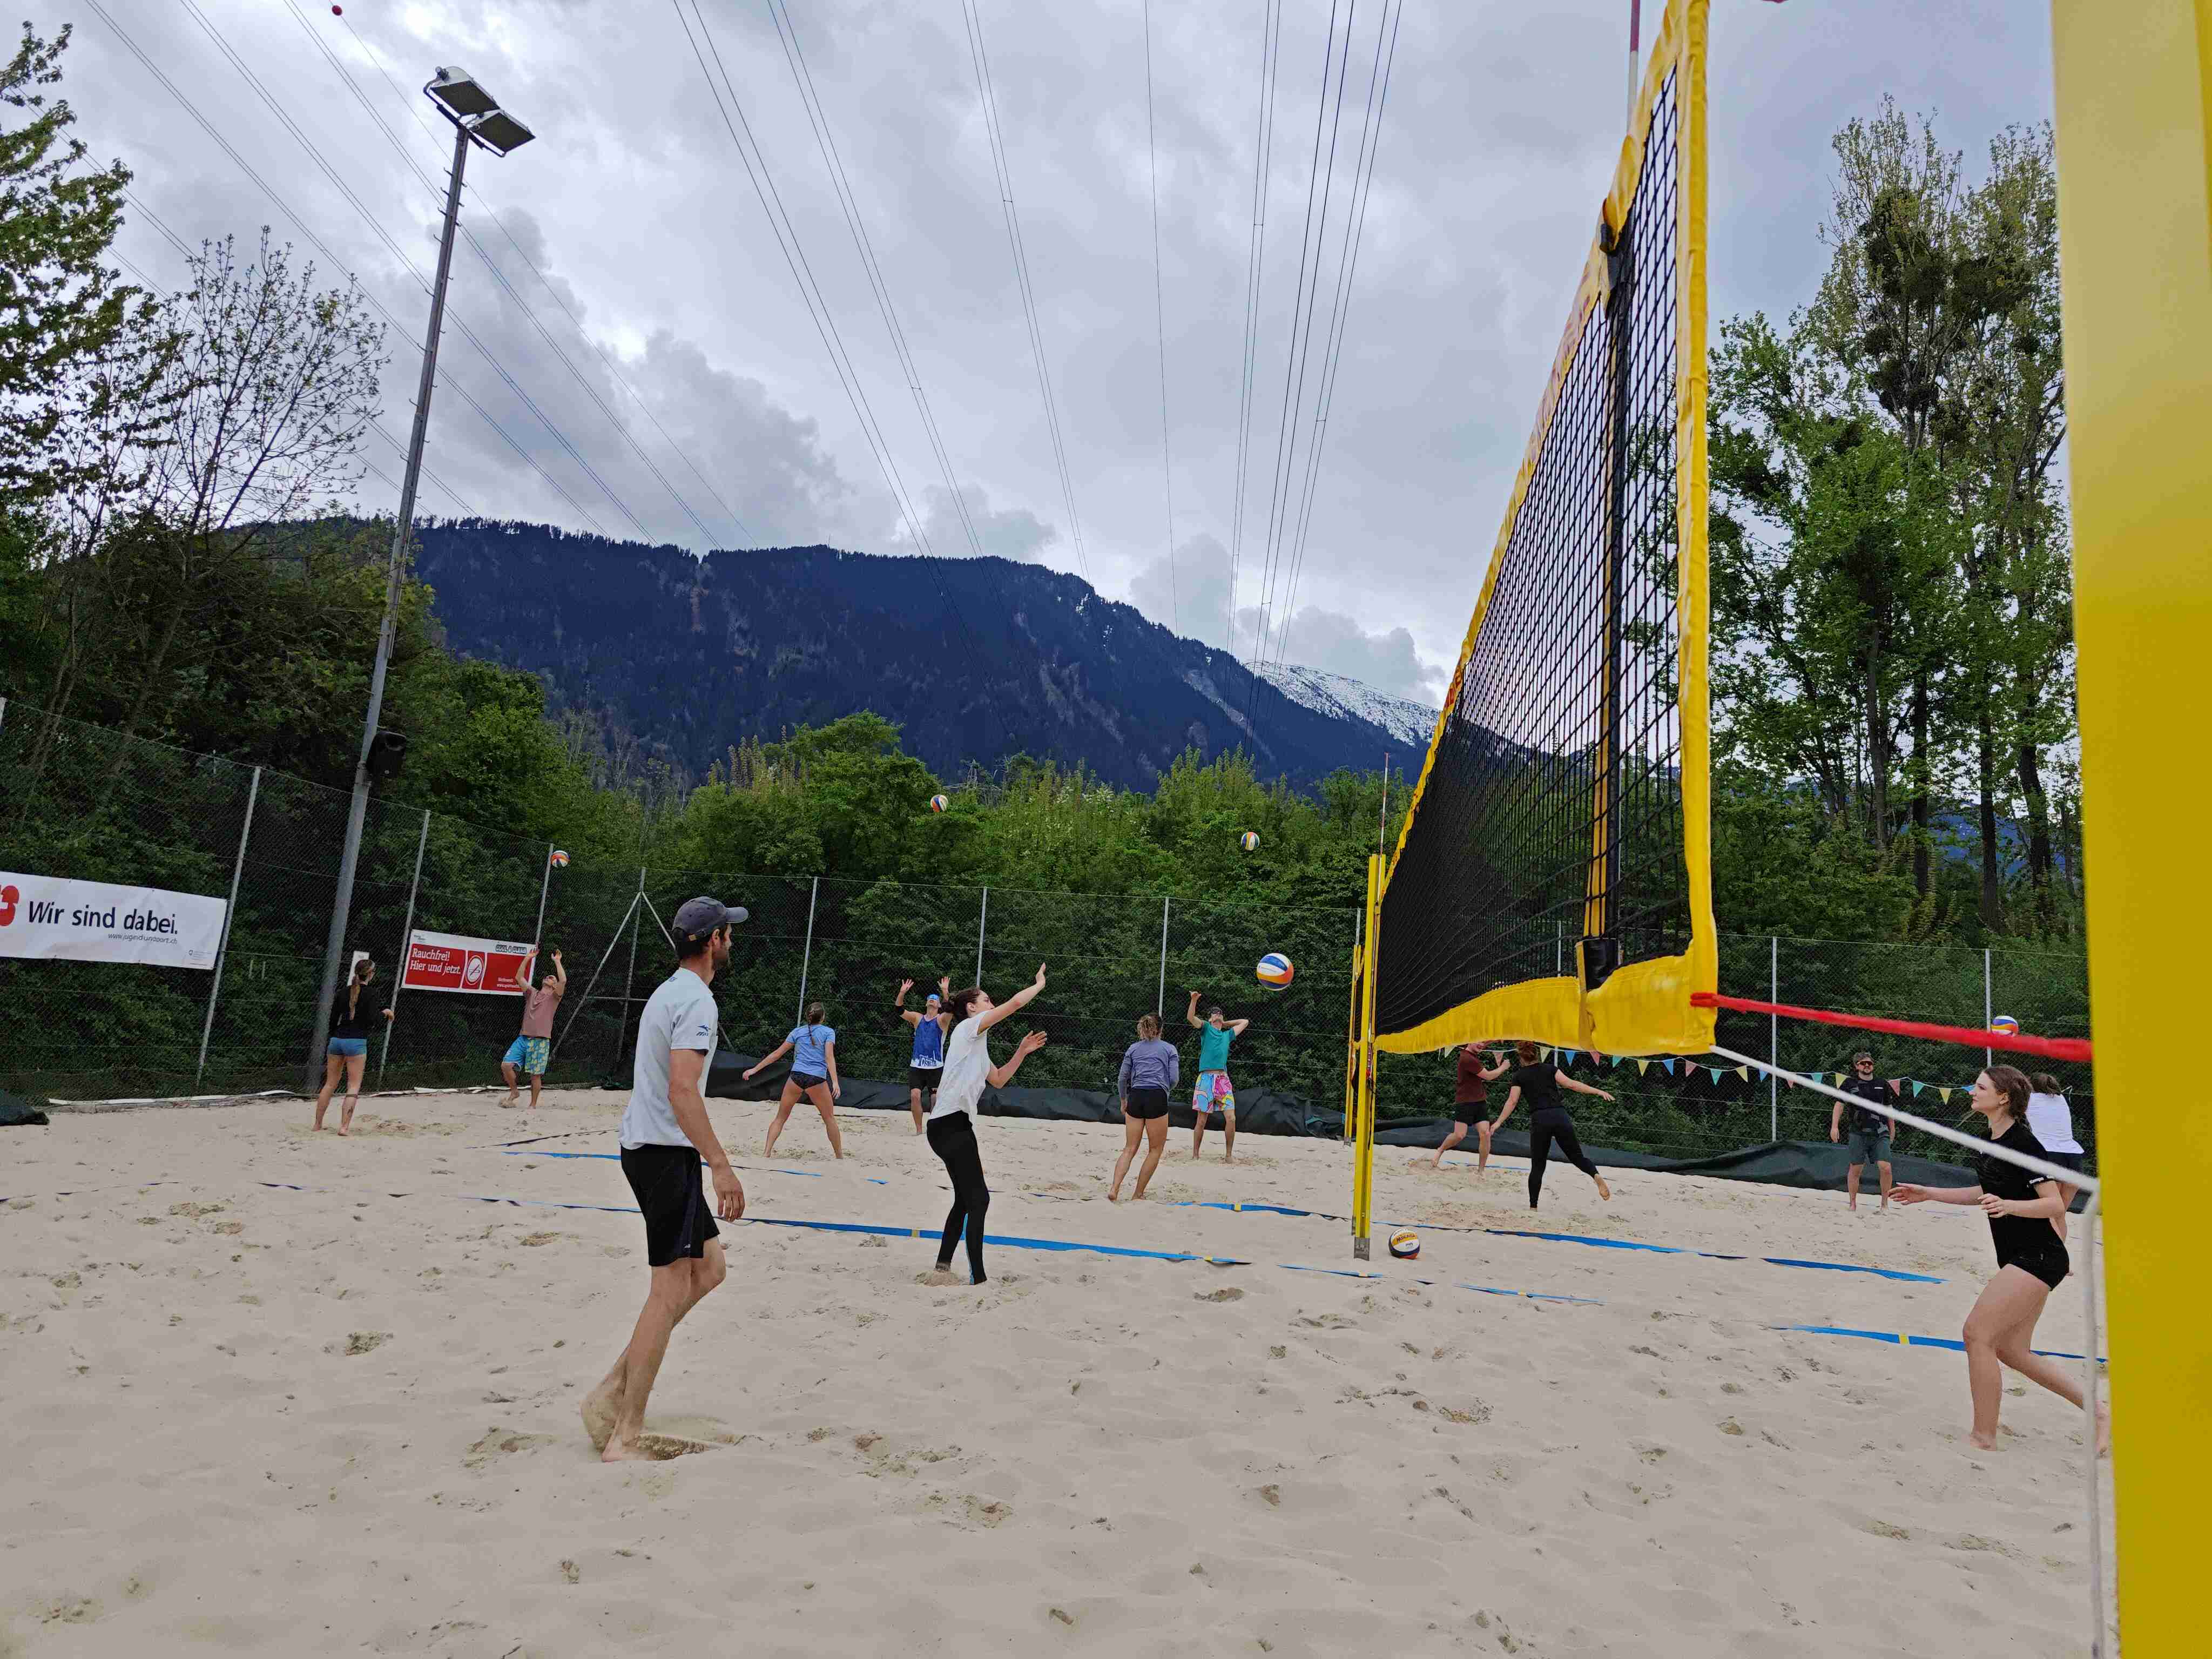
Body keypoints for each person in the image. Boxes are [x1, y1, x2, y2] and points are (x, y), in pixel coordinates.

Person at [583, 897, 748, 1463]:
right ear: (713, 941)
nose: (733, 940)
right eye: (728, 932)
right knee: (669, 1290)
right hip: (663, 1153)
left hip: (652, 1148)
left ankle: (614, 1388)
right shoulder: (696, 1000)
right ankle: (626, 1433)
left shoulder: (670, 990)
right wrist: (720, 1165)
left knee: (711, 1268)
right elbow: (682, 1089)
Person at [1893, 1064, 2100, 1452]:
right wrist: (1931, 1194)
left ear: (2003, 1097)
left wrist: (2009, 1206)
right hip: (2022, 1256)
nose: (1973, 1092)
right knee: (2012, 1350)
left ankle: (1983, 1437)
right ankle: (2101, 1413)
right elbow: (1985, 1191)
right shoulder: (1990, 1139)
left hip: (2040, 1256)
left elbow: (2055, 1204)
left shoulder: (2024, 1143)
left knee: (1977, 1334)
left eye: (1981, 1087)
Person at [922, 966, 1050, 1286]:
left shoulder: (976, 1046)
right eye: (987, 1000)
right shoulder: (968, 1028)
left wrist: (1021, 1051)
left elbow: (1000, 1079)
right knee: (980, 1200)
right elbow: (1015, 1004)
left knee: (965, 1200)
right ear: (972, 1008)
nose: (992, 1004)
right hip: (950, 1124)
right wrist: (1039, 985)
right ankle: (978, 1278)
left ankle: (942, 1267)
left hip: (951, 1125)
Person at [1489, 1040, 1614, 1210]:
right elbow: (1572, 1085)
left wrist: (1498, 1122)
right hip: (1559, 1116)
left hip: (1540, 1119)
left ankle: (1533, 1207)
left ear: (1521, 1058)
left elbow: (1512, 1102)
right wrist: (1598, 1091)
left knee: (1538, 1165)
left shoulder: (1519, 1076)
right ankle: (1596, 1176)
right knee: (1577, 1157)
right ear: (1537, 1054)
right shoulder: (1550, 1069)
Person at [746, 1001, 844, 1159]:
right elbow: (829, 1057)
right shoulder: (828, 1032)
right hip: (817, 1079)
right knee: (829, 1119)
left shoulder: (797, 1032)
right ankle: (839, 1157)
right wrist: (835, 1082)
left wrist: (754, 1070)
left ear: (807, 1017)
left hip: (796, 1077)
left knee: (780, 1118)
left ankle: (767, 1153)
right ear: (823, 1017)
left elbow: (777, 1054)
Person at [313, 955, 393, 1135]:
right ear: (370, 974)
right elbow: (372, 1019)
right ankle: (344, 1128)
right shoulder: (372, 993)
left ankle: (317, 1125)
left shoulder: (343, 992)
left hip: (337, 1040)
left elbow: (333, 1018)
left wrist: (334, 1035)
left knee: (330, 1084)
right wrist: (386, 1013)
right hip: (356, 1041)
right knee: (353, 1086)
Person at [1110, 1013, 1178, 1202]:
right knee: (1155, 1150)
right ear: (1161, 1029)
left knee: (1129, 1148)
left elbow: (1122, 1078)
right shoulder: (1169, 1049)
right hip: (1157, 1096)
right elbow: (1174, 1079)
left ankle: (1114, 1188)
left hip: (1136, 1096)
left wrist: (1123, 1100)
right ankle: (1138, 1194)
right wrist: (1165, 1090)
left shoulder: (1133, 1049)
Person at [1829, 1048, 1900, 1212]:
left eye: (1869, 1063)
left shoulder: (1882, 1084)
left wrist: (1893, 1129)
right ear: (1857, 1066)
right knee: (1856, 1169)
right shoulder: (1849, 1083)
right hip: (1858, 1132)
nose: (1867, 1065)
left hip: (1880, 1132)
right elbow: (1839, 1104)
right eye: (1863, 1063)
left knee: (1886, 1168)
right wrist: (1834, 1127)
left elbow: (1889, 1109)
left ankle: (1885, 1205)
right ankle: (1853, 1204)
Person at [1185, 990, 1251, 1163]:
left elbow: (1245, 1022)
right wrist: (1194, 1000)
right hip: (1206, 1080)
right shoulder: (1206, 1029)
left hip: (1223, 1081)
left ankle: (1228, 1156)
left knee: (1232, 1118)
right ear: (1209, 1019)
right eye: (1215, 1013)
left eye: (1220, 1013)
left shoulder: (1227, 1035)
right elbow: (1191, 1018)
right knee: (1201, 1121)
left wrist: (1224, 1023)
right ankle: (1195, 1155)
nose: (1218, 1014)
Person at [1426, 1043, 1512, 1173]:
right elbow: (1489, 1076)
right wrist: (1503, 1067)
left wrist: (1498, 1038)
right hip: (1465, 1102)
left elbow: (1484, 1040)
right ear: (1470, 1041)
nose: (1482, 1045)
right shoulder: (1467, 1058)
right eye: (1479, 1042)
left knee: (1486, 1134)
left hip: (1480, 1101)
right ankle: (1440, 1150)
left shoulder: (1473, 1053)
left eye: (1483, 1042)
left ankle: (1481, 1171)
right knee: (1459, 1135)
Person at [498, 948, 567, 1110]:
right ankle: (515, 1092)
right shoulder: (532, 993)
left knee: (535, 1076)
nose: (549, 977)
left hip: (540, 1042)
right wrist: (528, 958)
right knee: (506, 1066)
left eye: (552, 978)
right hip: (523, 1038)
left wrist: (557, 962)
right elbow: (518, 977)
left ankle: (533, 1105)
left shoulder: (554, 998)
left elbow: (563, 980)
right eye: (547, 976)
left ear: (555, 986)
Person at [2026, 1072, 2087, 1240]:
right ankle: (2061, 1255)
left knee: (2050, 1215)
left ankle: (2052, 1254)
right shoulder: (2061, 1099)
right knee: (2060, 1214)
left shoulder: (2030, 1100)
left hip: (2050, 1154)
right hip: (2074, 1156)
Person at [895, 975, 952, 1135]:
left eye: (935, 999)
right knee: (915, 1096)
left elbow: (950, 1009)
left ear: (939, 1005)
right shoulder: (917, 1018)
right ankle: (919, 1130)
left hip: (936, 1067)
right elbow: (899, 1010)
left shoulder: (942, 1020)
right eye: (930, 999)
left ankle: (933, 1129)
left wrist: (945, 991)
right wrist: (902, 992)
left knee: (935, 1099)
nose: (932, 999)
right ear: (927, 1003)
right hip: (917, 1066)